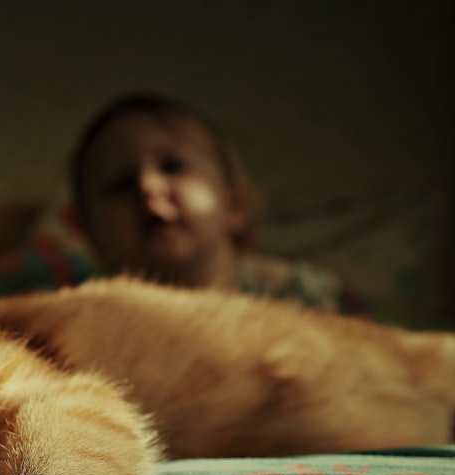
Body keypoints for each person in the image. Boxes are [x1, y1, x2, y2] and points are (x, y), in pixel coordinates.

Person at [68, 93, 360, 313]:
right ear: (92, 238)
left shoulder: (300, 296)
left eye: (172, 166)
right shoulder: (92, 323)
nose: (148, 186)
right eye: (120, 184)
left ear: (235, 204)